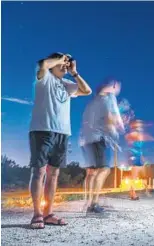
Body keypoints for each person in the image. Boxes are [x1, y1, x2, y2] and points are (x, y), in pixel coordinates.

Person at [29, 52, 92, 229]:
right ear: (54, 62)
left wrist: (74, 72)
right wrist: (60, 58)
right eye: (62, 63)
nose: (65, 65)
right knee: (39, 172)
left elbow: (87, 91)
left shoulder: (66, 85)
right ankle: (37, 215)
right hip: (42, 130)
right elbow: (42, 64)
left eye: (67, 63)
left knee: (53, 174)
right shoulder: (45, 78)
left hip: (62, 133)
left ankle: (48, 213)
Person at [79, 79, 124, 213]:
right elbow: (111, 118)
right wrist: (119, 126)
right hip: (98, 139)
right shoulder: (109, 98)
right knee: (104, 169)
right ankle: (94, 204)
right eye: (117, 87)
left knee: (91, 172)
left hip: (85, 140)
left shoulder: (92, 102)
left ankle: (88, 202)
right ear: (114, 86)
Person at [125, 120, 154, 200]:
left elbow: (140, 145)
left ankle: (146, 191)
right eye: (138, 125)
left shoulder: (138, 134)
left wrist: (142, 158)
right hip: (135, 157)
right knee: (134, 177)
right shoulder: (132, 134)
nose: (140, 126)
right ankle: (133, 194)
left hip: (139, 157)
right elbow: (131, 145)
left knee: (143, 176)